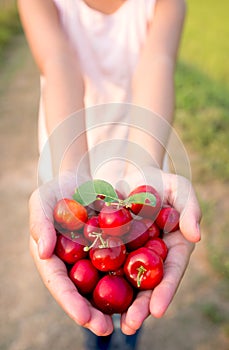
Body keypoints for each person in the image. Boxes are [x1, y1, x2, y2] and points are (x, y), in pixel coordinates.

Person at [17, 0, 202, 349]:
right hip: (70, 154)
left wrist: (144, 165)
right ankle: (97, 335)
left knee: (132, 294)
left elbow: (157, 63)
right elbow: (59, 64)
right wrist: (71, 171)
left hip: (139, 154)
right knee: (89, 293)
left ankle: (129, 335)